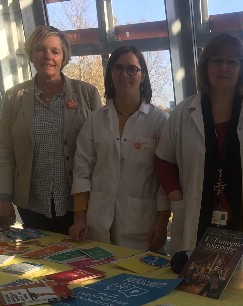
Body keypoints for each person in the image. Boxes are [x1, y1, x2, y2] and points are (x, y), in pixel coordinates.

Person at [155, 33, 243, 272]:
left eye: (232, 62)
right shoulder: (182, 112)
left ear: (242, 68)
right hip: (197, 217)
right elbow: (163, 160)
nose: (224, 68)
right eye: (216, 61)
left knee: (241, 287)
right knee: (196, 285)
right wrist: (177, 198)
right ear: (205, 67)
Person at [0, 25, 101, 234]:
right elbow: (6, 153)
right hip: (32, 203)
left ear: (64, 56)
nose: (47, 56)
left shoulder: (87, 94)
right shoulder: (14, 97)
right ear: (31, 54)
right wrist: (4, 199)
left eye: (55, 51)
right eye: (40, 49)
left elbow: (100, 149)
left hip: (78, 204)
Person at [69, 45, 170, 251]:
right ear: (111, 74)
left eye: (132, 69)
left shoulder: (160, 122)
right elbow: (82, 171)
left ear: (142, 76)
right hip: (96, 223)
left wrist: (162, 222)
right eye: (118, 68)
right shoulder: (95, 120)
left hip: (142, 226)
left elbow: (164, 179)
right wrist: (80, 218)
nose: (125, 74)